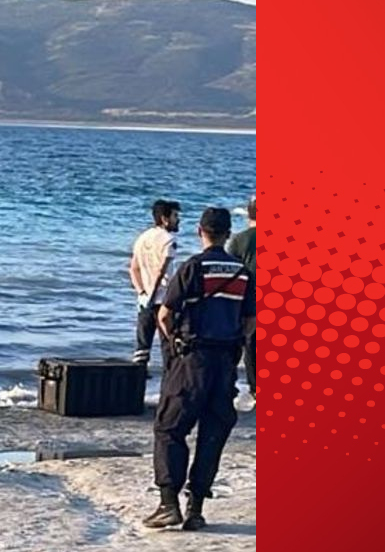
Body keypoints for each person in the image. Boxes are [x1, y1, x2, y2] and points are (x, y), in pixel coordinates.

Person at [144, 207, 255, 531]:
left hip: (192, 360)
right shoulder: (244, 273)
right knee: (213, 433)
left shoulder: (193, 267)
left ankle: (168, 503)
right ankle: (195, 508)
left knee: (169, 428)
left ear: (200, 231)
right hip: (225, 363)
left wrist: (176, 343)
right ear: (228, 233)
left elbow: (164, 315)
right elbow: (251, 321)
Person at [129, 200, 181, 366]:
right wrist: (153, 294)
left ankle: (137, 385)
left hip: (144, 300)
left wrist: (141, 292)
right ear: (165, 219)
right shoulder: (168, 240)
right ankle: (169, 383)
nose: (177, 220)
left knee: (142, 348)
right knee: (168, 345)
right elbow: (162, 270)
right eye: (175, 216)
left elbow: (133, 269)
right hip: (163, 299)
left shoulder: (142, 237)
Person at [227, 195, 257, 400]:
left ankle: (255, 388)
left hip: (247, 299)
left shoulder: (239, 240)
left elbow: (231, 272)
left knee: (249, 344)